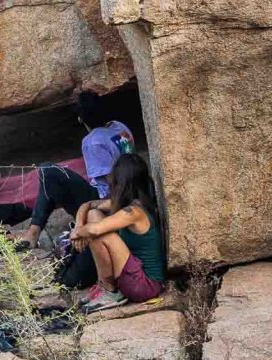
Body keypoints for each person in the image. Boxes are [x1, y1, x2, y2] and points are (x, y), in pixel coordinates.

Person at [11, 91, 136, 252]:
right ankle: (33, 232)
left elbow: (110, 180)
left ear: (80, 118)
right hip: (131, 188)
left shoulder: (92, 142)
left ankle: (33, 233)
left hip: (108, 201)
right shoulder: (120, 126)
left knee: (48, 172)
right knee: (53, 179)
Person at [68, 151, 166, 312]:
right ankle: (104, 285)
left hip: (145, 285)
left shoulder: (134, 212)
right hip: (134, 276)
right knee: (94, 215)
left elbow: (94, 230)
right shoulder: (129, 204)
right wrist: (79, 226)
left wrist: (76, 234)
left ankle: (110, 290)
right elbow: (88, 205)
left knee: (101, 233)